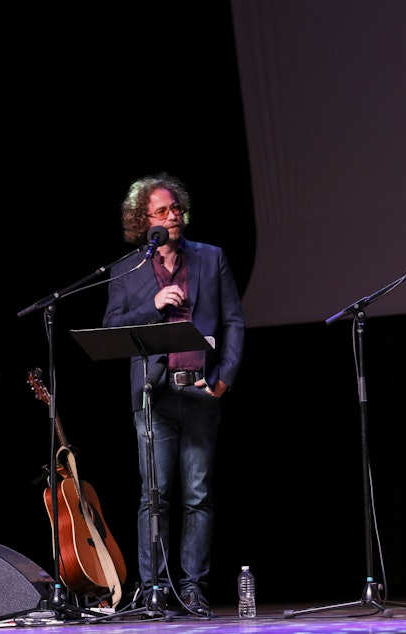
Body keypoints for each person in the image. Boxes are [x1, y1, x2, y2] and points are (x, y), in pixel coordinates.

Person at [102, 172, 245, 617]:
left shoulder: (210, 258)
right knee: (154, 496)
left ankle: (193, 588)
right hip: (152, 395)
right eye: (162, 211)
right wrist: (154, 305)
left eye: (176, 208)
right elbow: (111, 329)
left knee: (198, 495)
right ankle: (154, 590)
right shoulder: (127, 270)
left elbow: (234, 322)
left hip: (201, 392)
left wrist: (225, 377)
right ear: (142, 220)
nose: (173, 216)